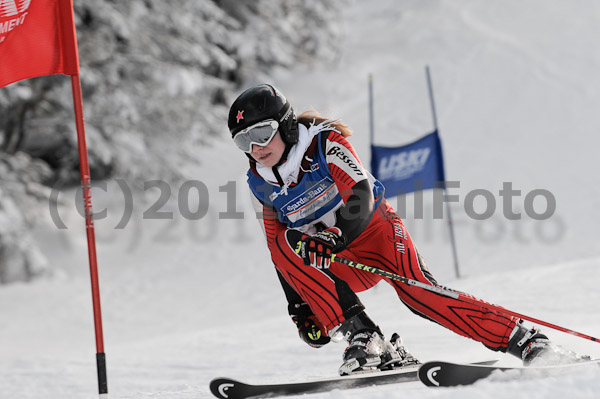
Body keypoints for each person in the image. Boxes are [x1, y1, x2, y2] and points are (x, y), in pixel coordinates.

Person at [227, 83, 586, 376]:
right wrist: (300, 306)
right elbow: (279, 249)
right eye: (244, 141)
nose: (256, 148)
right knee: (286, 240)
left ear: (286, 124)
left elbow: (361, 193)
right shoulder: (260, 182)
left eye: (262, 133)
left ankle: (527, 341)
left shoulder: (324, 143)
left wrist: (333, 236)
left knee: (421, 297)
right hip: (337, 261)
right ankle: (367, 339)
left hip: (375, 234)